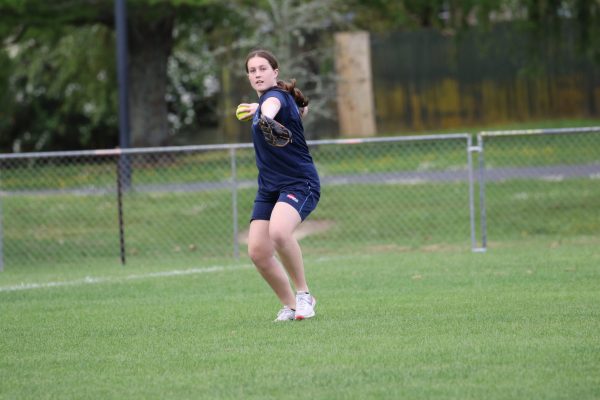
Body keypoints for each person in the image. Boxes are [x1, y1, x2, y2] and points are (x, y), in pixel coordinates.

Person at [237, 49, 320, 322]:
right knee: (258, 252)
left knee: (280, 233)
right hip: (269, 187)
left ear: (275, 72)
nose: (257, 74)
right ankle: (290, 306)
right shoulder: (274, 102)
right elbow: (300, 109)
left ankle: (304, 295)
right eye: (252, 71)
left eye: (263, 68)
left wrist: (265, 115)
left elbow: (272, 106)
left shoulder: (274, 99)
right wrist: (258, 109)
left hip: (299, 181)